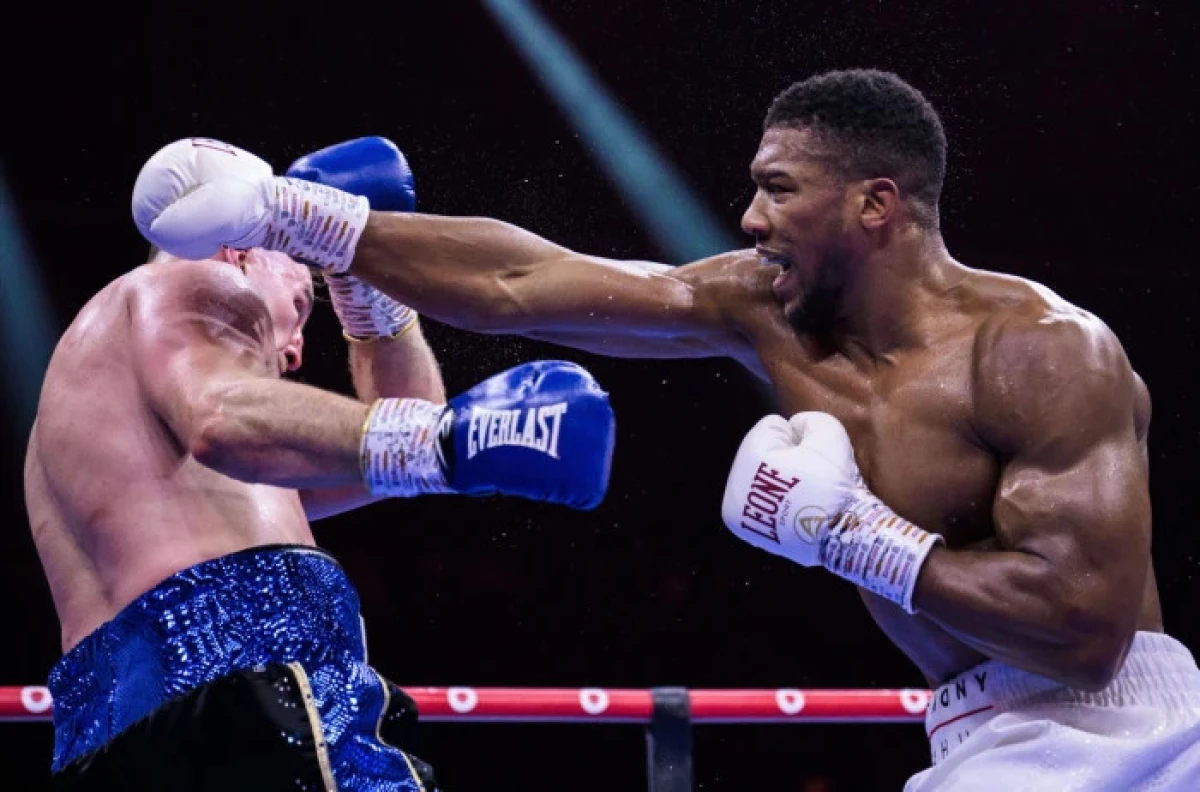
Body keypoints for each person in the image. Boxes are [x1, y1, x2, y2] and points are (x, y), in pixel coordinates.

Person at [132, 69, 1200, 789]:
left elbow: (1085, 631)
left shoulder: (1043, 350)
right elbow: (527, 281)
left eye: (779, 191)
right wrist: (297, 216)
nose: (750, 219)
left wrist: (853, 537)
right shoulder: (764, 308)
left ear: (877, 206)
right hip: (973, 729)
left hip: (1115, 729)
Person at [26, 138, 617, 791]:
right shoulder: (192, 279)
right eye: (304, 299)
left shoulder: (114, 426)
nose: (301, 346)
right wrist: (451, 438)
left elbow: (397, 436)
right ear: (240, 251)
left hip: (103, 738)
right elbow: (222, 419)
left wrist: (358, 272)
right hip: (247, 687)